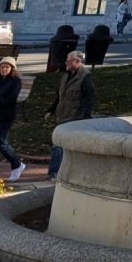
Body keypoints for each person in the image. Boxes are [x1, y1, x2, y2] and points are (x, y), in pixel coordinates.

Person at [45, 49, 96, 182]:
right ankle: (61, 172)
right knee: (62, 145)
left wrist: (82, 117)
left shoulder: (85, 77)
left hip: (74, 117)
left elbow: (89, 100)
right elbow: (59, 96)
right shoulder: (65, 76)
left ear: (78, 61)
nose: (66, 63)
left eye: (69, 61)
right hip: (62, 115)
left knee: (58, 144)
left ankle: (54, 172)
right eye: (66, 60)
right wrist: (51, 110)